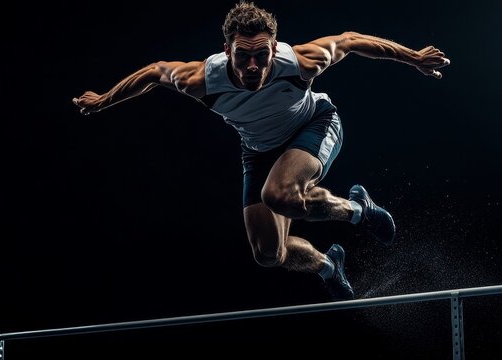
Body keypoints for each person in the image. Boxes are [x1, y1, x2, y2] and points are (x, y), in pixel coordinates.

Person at [72, 1, 450, 301]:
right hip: (258, 149)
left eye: (262, 55)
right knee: (269, 254)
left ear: (273, 47)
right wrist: (104, 100)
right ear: (227, 50)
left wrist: (414, 57)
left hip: (312, 125)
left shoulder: (300, 62)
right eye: (242, 56)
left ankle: (358, 211)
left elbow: (351, 40)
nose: (253, 67)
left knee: (281, 195)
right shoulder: (201, 79)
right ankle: (328, 267)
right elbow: (154, 72)